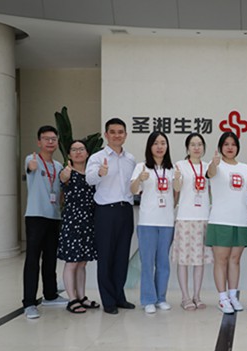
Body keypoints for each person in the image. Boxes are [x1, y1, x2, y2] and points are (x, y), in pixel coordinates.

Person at [86, 118, 136, 315]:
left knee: (122, 256)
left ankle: (119, 296)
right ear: (106, 135)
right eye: (113, 132)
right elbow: (89, 179)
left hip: (125, 211)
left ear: (126, 135)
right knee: (106, 257)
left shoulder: (130, 159)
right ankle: (108, 300)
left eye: (120, 132)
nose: (117, 135)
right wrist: (100, 172)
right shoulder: (97, 157)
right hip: (105, 211)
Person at [206, 132, 247, 314]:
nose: (230, 147)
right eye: (226, 144)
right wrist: (213, 163)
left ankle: (233, 295)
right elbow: (210, 173)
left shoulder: (245, 168)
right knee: (221, 260)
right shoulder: (216, 165)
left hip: (240, 220)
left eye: (233, 144)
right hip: (220, 220)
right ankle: (222, 298)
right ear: (220, 147)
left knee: (235, 260)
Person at [22, 125, 67, 319]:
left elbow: (60, 192)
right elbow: (29, 169)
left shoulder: (58, 166)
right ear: (39, 142)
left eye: (53, 139)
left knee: (50, 259)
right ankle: (29, 303)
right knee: (32, 259)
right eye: (46, 139)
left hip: (54, 217)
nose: (50, 142)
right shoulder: (32, 160)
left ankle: (50, 295)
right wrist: (31, 167)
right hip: (36, 216)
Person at [131, 132, 176, 314]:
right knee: (147, 262)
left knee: (163, 262)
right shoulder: (141, 167)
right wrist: (139, 179)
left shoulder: (172, 169)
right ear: (150, 146)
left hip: (167, 222)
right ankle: (148, 299)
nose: (159, 146)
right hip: (148, 221)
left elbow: (176, 194)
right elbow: (132, 190)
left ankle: (161, 298)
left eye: (163, 143)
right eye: (156, 143)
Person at [171, 133, 213, 311]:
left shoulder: (208, 167)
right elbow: (176, 189)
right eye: (193, 144)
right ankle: (185, 297)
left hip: (203, 217)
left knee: (199, 260)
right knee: (183, 260)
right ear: (187, 148)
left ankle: (197, 295)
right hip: (185, 218)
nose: (197, 148)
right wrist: (176, 179)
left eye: (200, 144)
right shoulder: (180, 165)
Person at [57, 140, 99, 314]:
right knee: (72, 262)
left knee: (82, 263)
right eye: (74, 150)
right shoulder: (67, 172)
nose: (78, 152)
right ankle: (72, 299)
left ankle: (82, 297)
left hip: (88, 222)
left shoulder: (91, 175)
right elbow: (62, 179)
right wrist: (65, 173)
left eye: (81, 149)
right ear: (69, 155)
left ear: (87, 153)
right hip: (72, 222)